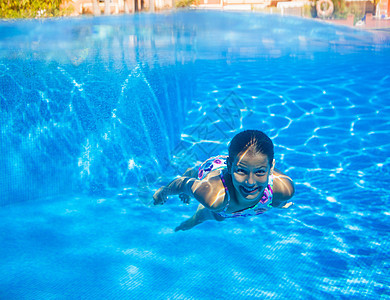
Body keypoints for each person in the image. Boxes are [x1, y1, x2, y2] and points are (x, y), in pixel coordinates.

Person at [153, 130, 295, 231]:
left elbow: (277, 198)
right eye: (242, 171)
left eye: (260, 172)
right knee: (216, 214)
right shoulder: (213, 196)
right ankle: (192, 173)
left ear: (271, 168)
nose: (250, 182)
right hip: (213, 169)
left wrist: (278, 203)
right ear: (229, 166)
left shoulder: (283, 190)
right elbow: (183, 184)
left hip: (238, 162)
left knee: (221, 214)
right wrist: (163, 192)